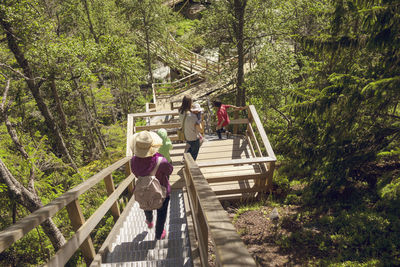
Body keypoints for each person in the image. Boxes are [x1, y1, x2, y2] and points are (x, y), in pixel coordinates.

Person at [130, 131, 173, 240]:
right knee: (161, 214)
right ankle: (158, 234)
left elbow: (136, 174)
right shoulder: (160, 160)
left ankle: (149, 221)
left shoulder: (134, 161)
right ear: (152, 145)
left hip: (143, 190)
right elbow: (169, 171)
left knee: (147, 204)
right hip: (161, 191)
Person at [178, 95, 203, 160]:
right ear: (190, 103)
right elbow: (200, 129)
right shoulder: (192, 116)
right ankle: (189, 164)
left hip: (186, 134)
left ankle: (185, 159)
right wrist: (199, 117)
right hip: (194, 137)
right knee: (194, 153)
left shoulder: (180, 111)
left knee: (190, 149)